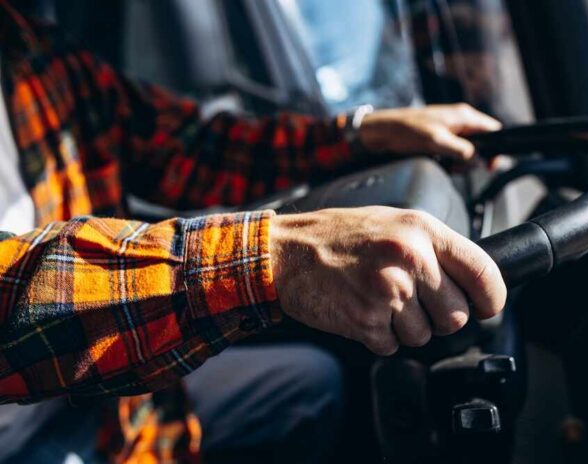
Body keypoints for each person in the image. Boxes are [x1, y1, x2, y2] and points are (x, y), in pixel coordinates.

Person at [0, 2, 508, 463]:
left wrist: (359, 134)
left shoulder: (23, 45)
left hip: (116, 409)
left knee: (310, 386)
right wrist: (267, 260)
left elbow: (186, 147)